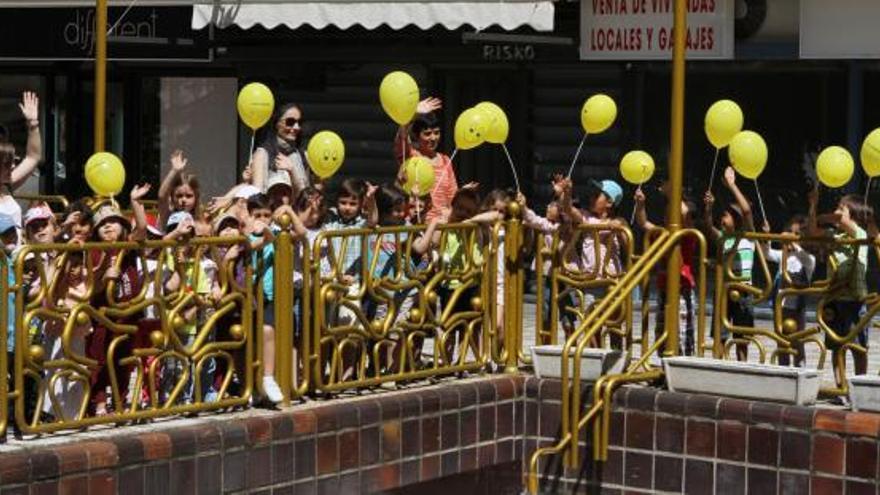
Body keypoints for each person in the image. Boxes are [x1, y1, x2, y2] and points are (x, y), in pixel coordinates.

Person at [808, 188, 872, 379]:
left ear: (855, 216)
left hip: (855, 300)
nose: (837, 211)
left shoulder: (860, 233)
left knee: (859, 348)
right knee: (837, 347)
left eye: (841, 208)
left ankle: (859, 383)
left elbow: (842, 221)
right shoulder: (834, 236)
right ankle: (840, 385)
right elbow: (812, 230)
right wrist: (812, 206)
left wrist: (827, 216)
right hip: (834, 298)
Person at [634, 186, 699, 355]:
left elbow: (685, 214)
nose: (667, 217)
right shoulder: (662, 233)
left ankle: (683, 364)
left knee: (682, 333)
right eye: (666, 214)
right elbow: (643, 223)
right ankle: (664, 366)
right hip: (664, 289)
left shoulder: (687, 234)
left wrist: (673, 196)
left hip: (681, 289)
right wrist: (641, 205)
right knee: (662, 331)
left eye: (671, 214)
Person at [704, 166, 756, 361]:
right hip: (723, 290)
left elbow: (747, 211)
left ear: (736, 219)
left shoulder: (748, 237)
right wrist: (708, 208)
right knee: (720, 333)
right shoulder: (723, 238)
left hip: (743, 290)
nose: (722, 218)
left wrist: (732, 185)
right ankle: (718, 363)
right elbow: (709, 226)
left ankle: (742, 366)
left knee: (741, 336)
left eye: (726, 215)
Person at [760, 215, 815, 366]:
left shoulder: (807, 258)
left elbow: (808, 260)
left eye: (796, 234)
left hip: (796, 308)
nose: (792, 236)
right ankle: (783, 369)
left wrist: (792, 243)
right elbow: (767, 253)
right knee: (782, 342)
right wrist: (766, 235)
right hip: (780, 306)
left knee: (798, 343)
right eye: (790, 232)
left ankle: (800, 369)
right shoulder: (784, 255)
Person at [394, 97, 457, 220]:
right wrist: (414, 113)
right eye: (427, 134)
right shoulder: (411, 155)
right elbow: (401, 135)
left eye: (436, 132)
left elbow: (452, 195)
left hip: (441, 226)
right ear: (416, 136)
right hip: (416, 224)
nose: (433, 138)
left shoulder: (445, 160)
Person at [0, 92, 41, 235]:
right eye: (6, 164)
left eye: (12, 162)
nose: (12, 166)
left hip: (17, 254)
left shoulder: (7, 185)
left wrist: (33, 124)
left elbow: (33, 157)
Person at [251, 103, 310, 196]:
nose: (296, 127)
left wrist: (292, 170)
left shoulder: (302, 155)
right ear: (276, 123)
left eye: (300, 122)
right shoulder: (262, 154)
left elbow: (305, 197)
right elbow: (257, 195)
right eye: (290, 122)